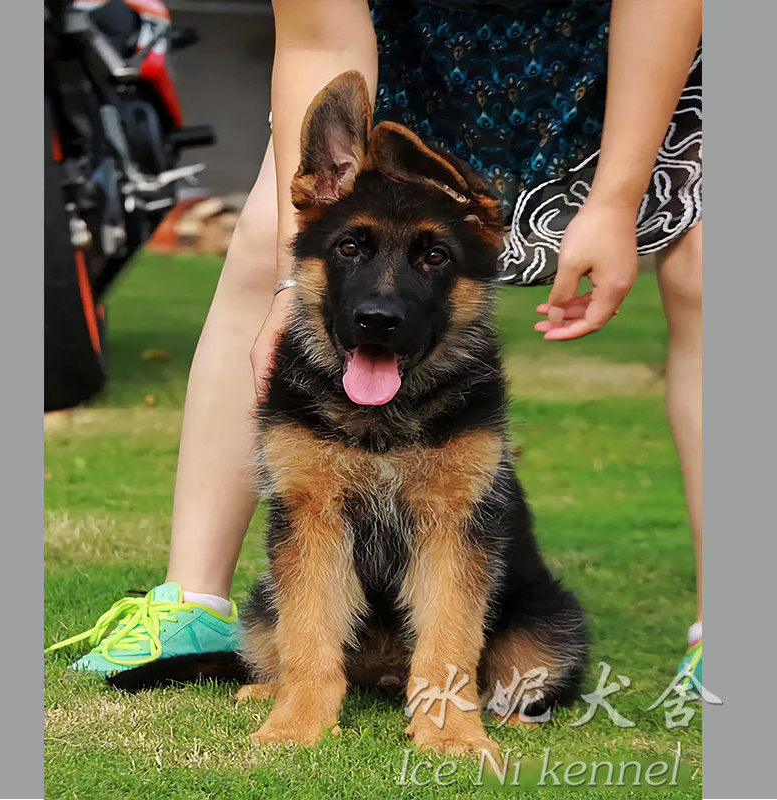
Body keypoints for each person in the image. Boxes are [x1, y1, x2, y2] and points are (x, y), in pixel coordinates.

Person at [46, 0, 703, 686]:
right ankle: (195, 602)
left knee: (708, 274)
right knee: (260, 244)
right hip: (408, 52)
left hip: (616, 58)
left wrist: (616, 200)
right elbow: (318, 40)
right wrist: (285, 286)